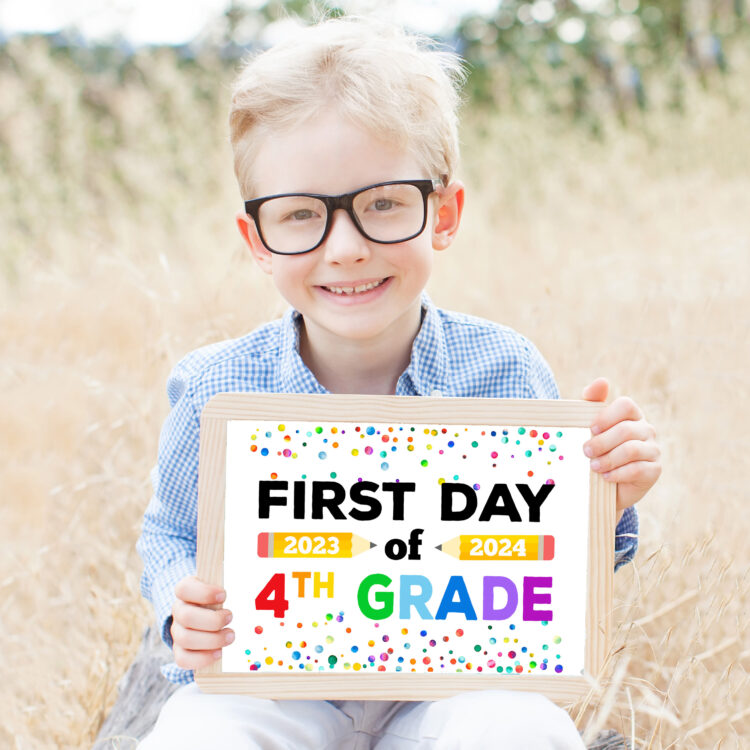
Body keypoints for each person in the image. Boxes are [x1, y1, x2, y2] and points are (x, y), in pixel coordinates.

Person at [136, 15, 661, 749]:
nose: (346, 248)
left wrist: (607, 496)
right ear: (257, 239)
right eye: (300, 216)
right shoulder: (219, 387)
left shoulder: (504, 372)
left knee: (520, 727)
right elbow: (168, 532)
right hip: (275, 689)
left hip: (449, 690)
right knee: (197, 735)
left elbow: (548, 557)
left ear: (443, 214)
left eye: (383, 203)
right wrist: (177, 604)